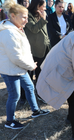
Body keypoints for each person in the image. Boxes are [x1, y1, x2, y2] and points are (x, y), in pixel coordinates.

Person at [0, 0, 50, 130]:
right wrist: (30, 65)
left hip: (19, 68)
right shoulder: (8, 32)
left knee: (29, 87)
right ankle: (10, 121)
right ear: (13, 16)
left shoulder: (16, 29)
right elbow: (15, 57)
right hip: (11, 70)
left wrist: (28, 64)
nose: (26, 21)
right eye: (24, 17)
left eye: (27, 17)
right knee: (14, 95)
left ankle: (35, 111)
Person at [25, 0, 51, 83]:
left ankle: (39, 91)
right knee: (30, 74)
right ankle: (26, 94)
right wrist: (43, 19)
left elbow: (45, 31)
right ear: (37, 5)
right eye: (43, 6)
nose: (45, 8)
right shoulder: (28, 14)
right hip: (34, 49)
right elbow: (34, 29)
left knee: (41, 73)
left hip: (44, 47)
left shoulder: (41, 14)